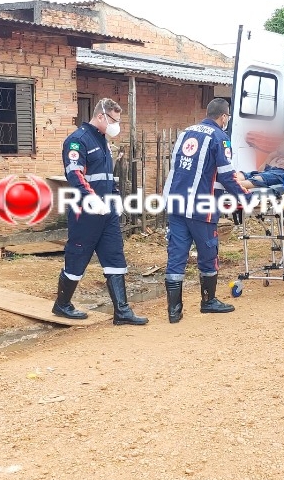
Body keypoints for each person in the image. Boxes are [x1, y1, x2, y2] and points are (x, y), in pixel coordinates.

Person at [52, 98, 147, 326]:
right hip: (85, 212)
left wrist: (115, 200)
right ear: (102, 116)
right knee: (77, 257)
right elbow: (75, 175)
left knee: (115, 256)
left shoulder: (102, 140)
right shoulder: (77, 141)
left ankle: (122, 312)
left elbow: (106, 176)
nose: (117, 125)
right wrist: (93, 200)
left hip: (108, 212)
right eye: (114, 120)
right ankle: (62, 304)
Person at [163, 98, 251, 323]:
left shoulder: (185, 133)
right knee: (208, 253)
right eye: (228, 117)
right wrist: (245, 198)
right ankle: (208, 301)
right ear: (223, 117)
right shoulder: (220, 138)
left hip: (175, 203)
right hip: (202, 207)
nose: (227, 120)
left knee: (176, 255)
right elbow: (227, 175)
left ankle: (174, 311)